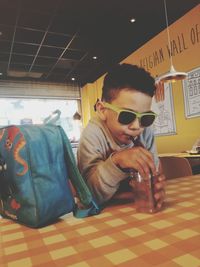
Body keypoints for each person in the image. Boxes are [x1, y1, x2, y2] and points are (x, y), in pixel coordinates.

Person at [77, 63, 165, 208]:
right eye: (127, 116)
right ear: (102, 110)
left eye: (145, 118)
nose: (137, 126)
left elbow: (155, 176)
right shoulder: (92, 135)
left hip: (138, 210)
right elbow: (89, 196)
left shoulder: (146, 131)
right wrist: (117, 161)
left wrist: (156, 187)